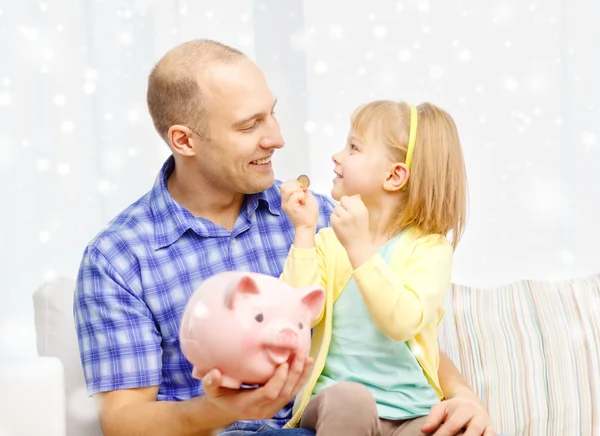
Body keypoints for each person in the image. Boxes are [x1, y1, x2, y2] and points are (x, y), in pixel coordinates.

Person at [73, 39, 496, 436]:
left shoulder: (323, 216)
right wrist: (223, 408)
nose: (276, 138)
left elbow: (388, 326)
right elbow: (123, 420)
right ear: (184, 140)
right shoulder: (119, 258)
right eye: (249, 125)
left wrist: (462, 395)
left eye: (271, 113)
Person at [279, 100, 476, 436]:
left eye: (353, 147)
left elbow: (401, 323)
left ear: (394, 175)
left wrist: (360, 248)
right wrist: (303, 231)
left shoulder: (430, 248)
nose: (337, 156)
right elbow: (297, 315)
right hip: (337, 404)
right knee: (350, 400)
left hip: (414, 411)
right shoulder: (329, 240)